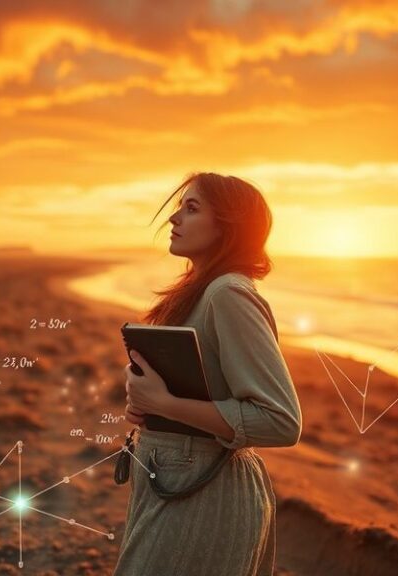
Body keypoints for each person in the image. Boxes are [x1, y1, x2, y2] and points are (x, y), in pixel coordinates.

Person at [112, 172, 303, 576]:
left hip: (206, 486)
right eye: (179, 206)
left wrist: (164, 403)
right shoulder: (199, 291)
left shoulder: (228, 293)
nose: (174, 218)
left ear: (228, 227)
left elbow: (280, 421)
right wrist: (149, 407)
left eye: (192, 208)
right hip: (173, 477)